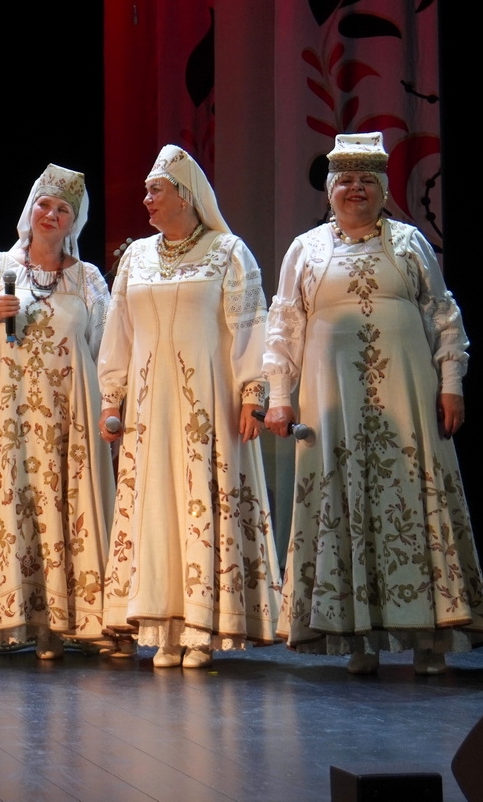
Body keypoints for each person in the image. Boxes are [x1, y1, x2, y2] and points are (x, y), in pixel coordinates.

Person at [264, 132, 483, 675]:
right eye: (345, 180)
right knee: (342, 501)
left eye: (367, 180)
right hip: (333, 405)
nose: (356, 189)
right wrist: (278, 396)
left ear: (383, 189)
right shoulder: (305, 249)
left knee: (414, 499)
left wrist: (452, 382)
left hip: (407, 399)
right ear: (329, 190)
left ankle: (430, 639)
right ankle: (357, 640)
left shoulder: (410, 243)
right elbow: (284, 324)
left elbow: (442, 313)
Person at [97, 146, 282, 669]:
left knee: (201, 498)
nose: (146, 199)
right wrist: (111, 398)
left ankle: (201, 629)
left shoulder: (228, 252)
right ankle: (164, 629)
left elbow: (250, 325)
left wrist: (253, 392)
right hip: (149, 410)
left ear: (185, 196)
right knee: (156, 505)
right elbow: (119, 332)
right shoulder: (136, 257)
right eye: (146, 190)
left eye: (156, 190)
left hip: (207, 404)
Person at [0, 165, 114, 666]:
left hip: (68, 414)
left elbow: (106, 345)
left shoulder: (87, 278)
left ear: (74, 220)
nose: (50, 215)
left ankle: (62, 624)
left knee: (65, 504)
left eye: (62, 209)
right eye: (44, 205)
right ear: (30, 210)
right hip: (8, 412)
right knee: (0, 503)